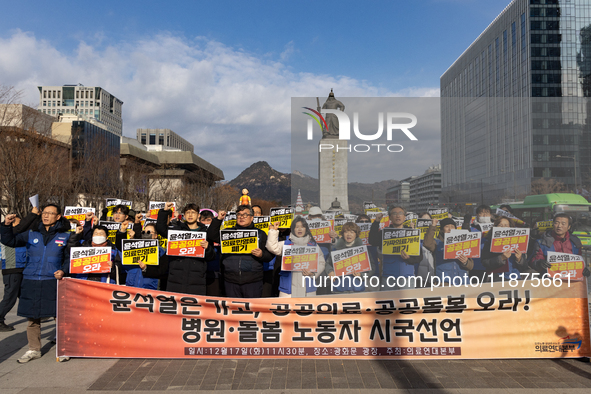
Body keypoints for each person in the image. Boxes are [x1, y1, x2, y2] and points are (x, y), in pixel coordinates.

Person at [0, 204, 74, 363]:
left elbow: (69, 258)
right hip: (31, 279)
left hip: (52, 281)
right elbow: (9, 240)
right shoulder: (30, 233)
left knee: (58, 316)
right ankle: (34, 349)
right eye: (44, 213)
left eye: (50, 213)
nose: (46, 215)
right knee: (32, 318)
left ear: (58, 216)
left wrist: (63, 271)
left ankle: (64, 349)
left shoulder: (65, 235)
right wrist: (6, 225)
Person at [207, 205, 274, 298]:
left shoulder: (261, 234)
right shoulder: (227, 233)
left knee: (251, 310)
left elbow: (270, 255)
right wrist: (218, 220)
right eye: (239, 215)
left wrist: (262, 254)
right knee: (234, 310)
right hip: (230, 280)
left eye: (245, 215)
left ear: (252, 218)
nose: (241, 217)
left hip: (253, 280)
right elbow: (211, 235)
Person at [156, 202, 215, 295]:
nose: (190, 215)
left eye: (193, 212)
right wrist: (165, 211)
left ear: (198, 215)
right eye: (187, 212)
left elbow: (211, 257)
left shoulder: (205, 233)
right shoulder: (177, 231)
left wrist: (207, 248)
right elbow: (160, 229)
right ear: (184, 215)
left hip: (197, 279)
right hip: (176, 278)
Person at [266, 217, 326, 297]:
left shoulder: (313, 245)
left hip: (308, 290)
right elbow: (272, 247)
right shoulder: (287, 244)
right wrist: (273, 231)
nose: (299, 229)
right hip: (288, 290)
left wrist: (313, 273)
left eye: (302, 227)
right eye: (297, 227)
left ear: (306, 229)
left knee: (307, 310)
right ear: (293, 229)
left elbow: (321, 262)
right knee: (287, 309)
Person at [0, 211, 39, 331]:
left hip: (19, 267)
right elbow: (21, 228)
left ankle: (35, 315)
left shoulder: (16, 233)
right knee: (10, 297)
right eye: (18, 221)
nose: (21, 223)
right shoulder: (7, 232)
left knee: (24, 294)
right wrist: (33, 215)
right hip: (12, 267)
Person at [368, 206, 423, 289]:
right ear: (390, 217)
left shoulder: (412, 233)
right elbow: (372, 241)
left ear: (404, 217)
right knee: (388, 301)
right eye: (394, 213)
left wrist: (408, 258)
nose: (398, 216)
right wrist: (376, 222)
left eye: (400, 213)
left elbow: (419, 257)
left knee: (406, 302)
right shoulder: (385, 233)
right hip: (388, 277)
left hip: (407, 278)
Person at [424, 218, 474, 285]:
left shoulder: (462, 244)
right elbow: (427, 243)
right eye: (447, 226)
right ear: (442, 229)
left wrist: (465, 262)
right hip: (444, 282)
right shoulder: (437, 243)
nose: (450, 229)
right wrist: (433, 226)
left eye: (452, 227)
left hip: (462, 282)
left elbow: (470, 266)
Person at [481, 216, 528, 282]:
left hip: (516, 278)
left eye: (506, 225)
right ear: (495, 227)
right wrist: (501, 258)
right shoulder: (489, 242)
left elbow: (525, 266)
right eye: (500, 225)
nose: (503, 227)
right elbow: (485, 262)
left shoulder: (518, 242)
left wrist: (519, 259)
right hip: (497, 278)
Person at [327, 222, 367, 293]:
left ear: (356, 234)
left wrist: (361, 275)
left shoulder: (362, 250)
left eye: (352, 232)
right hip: (339, 288)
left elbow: (371, 267)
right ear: (342, 234)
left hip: (357, 288)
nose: (349, 234)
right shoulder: (336, 249)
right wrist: (330, 271)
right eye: (346, 232)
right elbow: (327, 264)